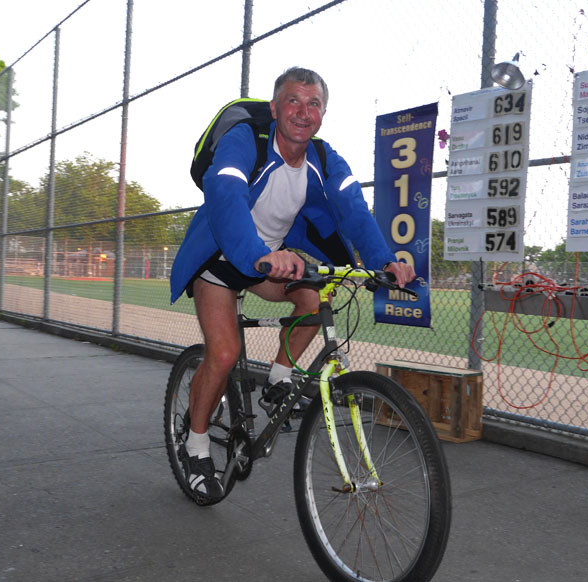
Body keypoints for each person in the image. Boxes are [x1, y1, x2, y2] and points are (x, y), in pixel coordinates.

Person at [169, 67, 414, 500]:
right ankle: (196, 444)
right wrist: (257, 256)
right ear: (275, 108)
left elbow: (353, 208)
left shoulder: (323, 158)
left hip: (270, 262)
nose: (304, 112)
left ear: (323, 113)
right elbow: (225, 194)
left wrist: (385, 261)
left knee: (315, 296)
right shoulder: (246, 141)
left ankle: (279, 379)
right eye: (294, 101)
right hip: (223, 258)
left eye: (314, 103)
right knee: (224, 353)